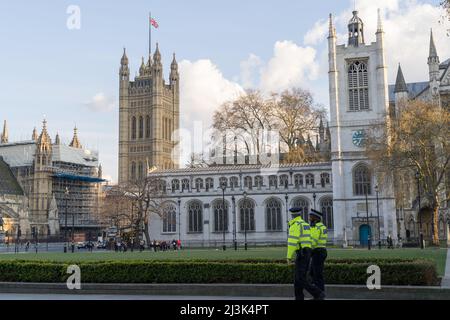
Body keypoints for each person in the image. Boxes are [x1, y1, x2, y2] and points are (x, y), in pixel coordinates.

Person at [287, 207, 325, 300]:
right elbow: (309, 239)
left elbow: (292, 241)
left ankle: (318, 293)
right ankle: (299, 297)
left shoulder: (295, 225)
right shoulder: (305, 224)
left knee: (300, 278)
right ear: (299, 214)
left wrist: (288, 256)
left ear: (292, 215)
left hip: (302, 253)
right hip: (306, 251)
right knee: (297, 278)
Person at [309, 209, 328, 293]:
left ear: (315, 218)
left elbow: (314, 240)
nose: (309, 219)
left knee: (317, 274)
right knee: (313, 272)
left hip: (317, 252)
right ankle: (318, 292)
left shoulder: (316, 227)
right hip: (322, 250)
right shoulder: (322, 226)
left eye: (311, 217)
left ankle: (319, 293)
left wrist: (306, 247)